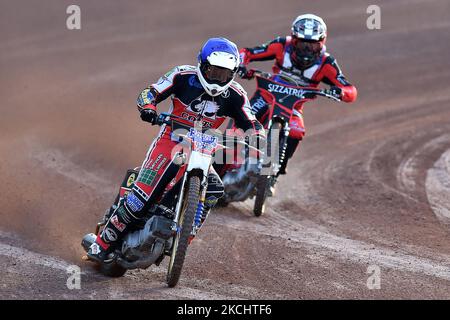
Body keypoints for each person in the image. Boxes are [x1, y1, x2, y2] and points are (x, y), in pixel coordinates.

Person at [88, 37, 264, 263]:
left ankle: (185, 237)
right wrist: (148, 109)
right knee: (141, 198)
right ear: (201, 65)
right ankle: (101, 244)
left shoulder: (236, 94)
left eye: (224, 74)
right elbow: (149, 93)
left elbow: (251, 122)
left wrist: (257, 137)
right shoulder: (182, 75)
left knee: (213, 190)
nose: (218, 79)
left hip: (206, 147)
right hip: (171, 139)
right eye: (213, 72)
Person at [237, 14, 357, 175]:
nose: (307, 49)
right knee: (243, 117)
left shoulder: (327, 63)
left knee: (296, 131)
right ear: (294, 40)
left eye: (312, 45)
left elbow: (350, 90)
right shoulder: (281, 45)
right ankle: (223, 161)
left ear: (322, 42)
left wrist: (341, 92)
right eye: (302, 44)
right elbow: (247, 52)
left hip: (293, 106)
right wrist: (241, 65)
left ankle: (277, 170)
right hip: (266, 96)